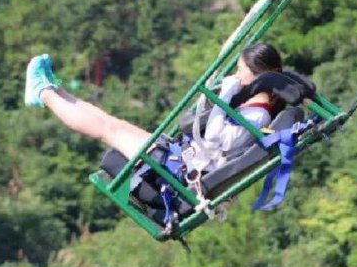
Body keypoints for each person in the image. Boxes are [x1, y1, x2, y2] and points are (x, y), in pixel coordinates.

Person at [24, 43, 285, 171]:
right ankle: (53, 89)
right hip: (186, 158)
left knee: (107, 129)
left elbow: (218, 138)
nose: (236, 77)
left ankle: (43, 93)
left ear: (257, 76)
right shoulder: (257, 106)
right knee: (113, 123)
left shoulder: (257, 113)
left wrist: (226, 94)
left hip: (182, 170)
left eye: (240, 71)